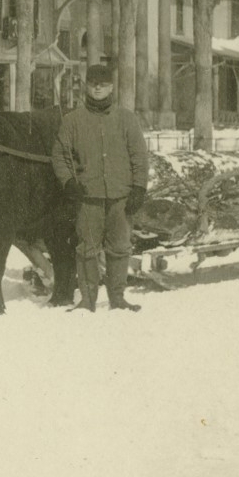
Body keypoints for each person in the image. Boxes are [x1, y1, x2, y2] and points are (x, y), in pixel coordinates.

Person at [52, 63, 150, 312]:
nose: (98, 88)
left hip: (121, 197)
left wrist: (139, 187)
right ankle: (87, 300)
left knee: (119, 248)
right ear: (86, 85)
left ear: (111, 87)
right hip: (88, 196)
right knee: (87, 250)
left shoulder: (126, 119)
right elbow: (60, 155)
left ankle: (117, 298)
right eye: (93, 83)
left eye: (103, 84)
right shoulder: (73, 120)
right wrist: (68, 182)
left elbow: (139, 155)